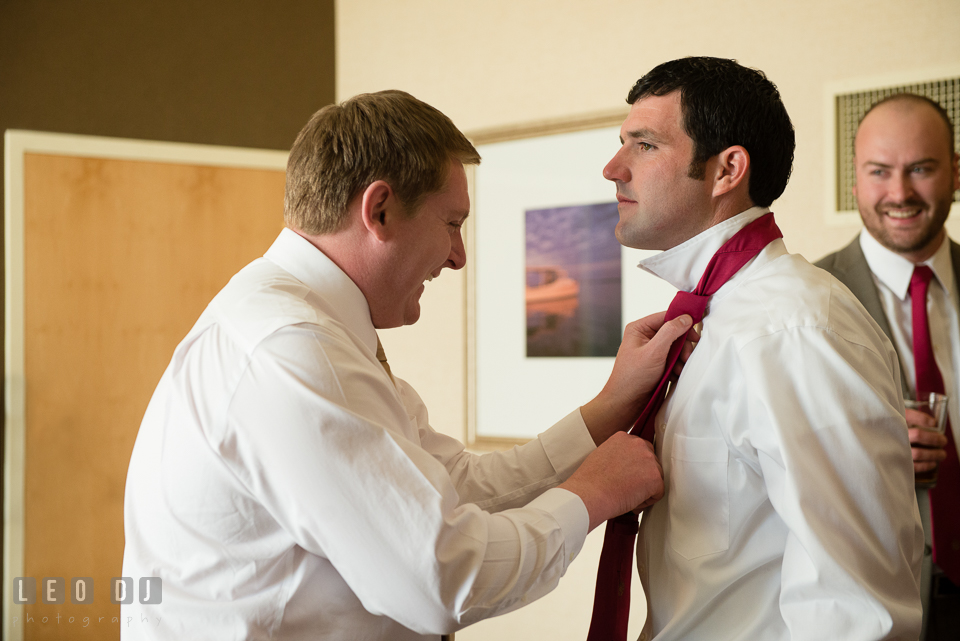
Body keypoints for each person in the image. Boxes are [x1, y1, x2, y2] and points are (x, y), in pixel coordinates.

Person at [120, 89, 695, 640]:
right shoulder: (291, 348)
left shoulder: (314, 331)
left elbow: (454, 487)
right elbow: (439, 579)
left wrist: (607, 409)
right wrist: (591, 495)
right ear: (381, 210)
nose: (458, 257)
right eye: (451, 223)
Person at [602, 57, 923, 640]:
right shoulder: (709, 319)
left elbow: (853, 610)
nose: (612, 168)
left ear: (728, 169)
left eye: (644, 146)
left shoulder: (797, 329)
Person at [816, 93, 960, 640]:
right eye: (880, 172)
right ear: (856, 180)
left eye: (921, 169)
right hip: (874, 609)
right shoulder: (806, 301)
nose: (899, 193)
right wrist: (866, 445)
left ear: (955, 174)